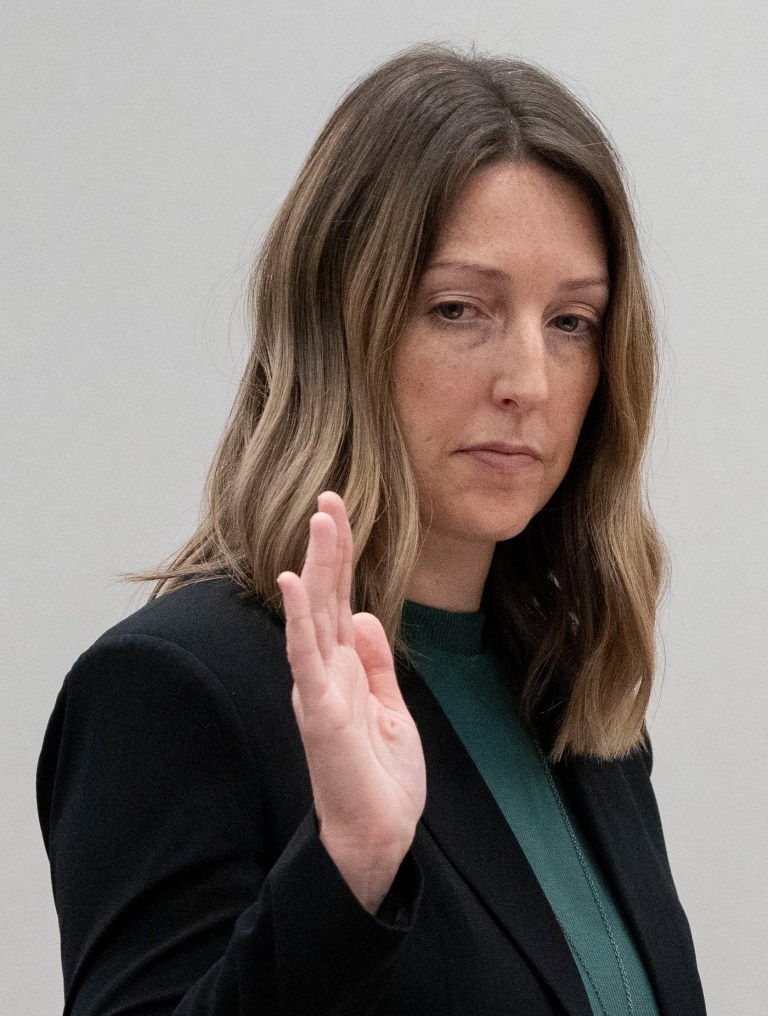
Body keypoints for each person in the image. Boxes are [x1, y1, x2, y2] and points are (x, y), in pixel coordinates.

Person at [37, 43, 706, 1015]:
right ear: (339, 328)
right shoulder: (180, 689)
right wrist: (346, 869)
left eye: (572, 322)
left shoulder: (578, 698)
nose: (529, 380)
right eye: (458, 308)